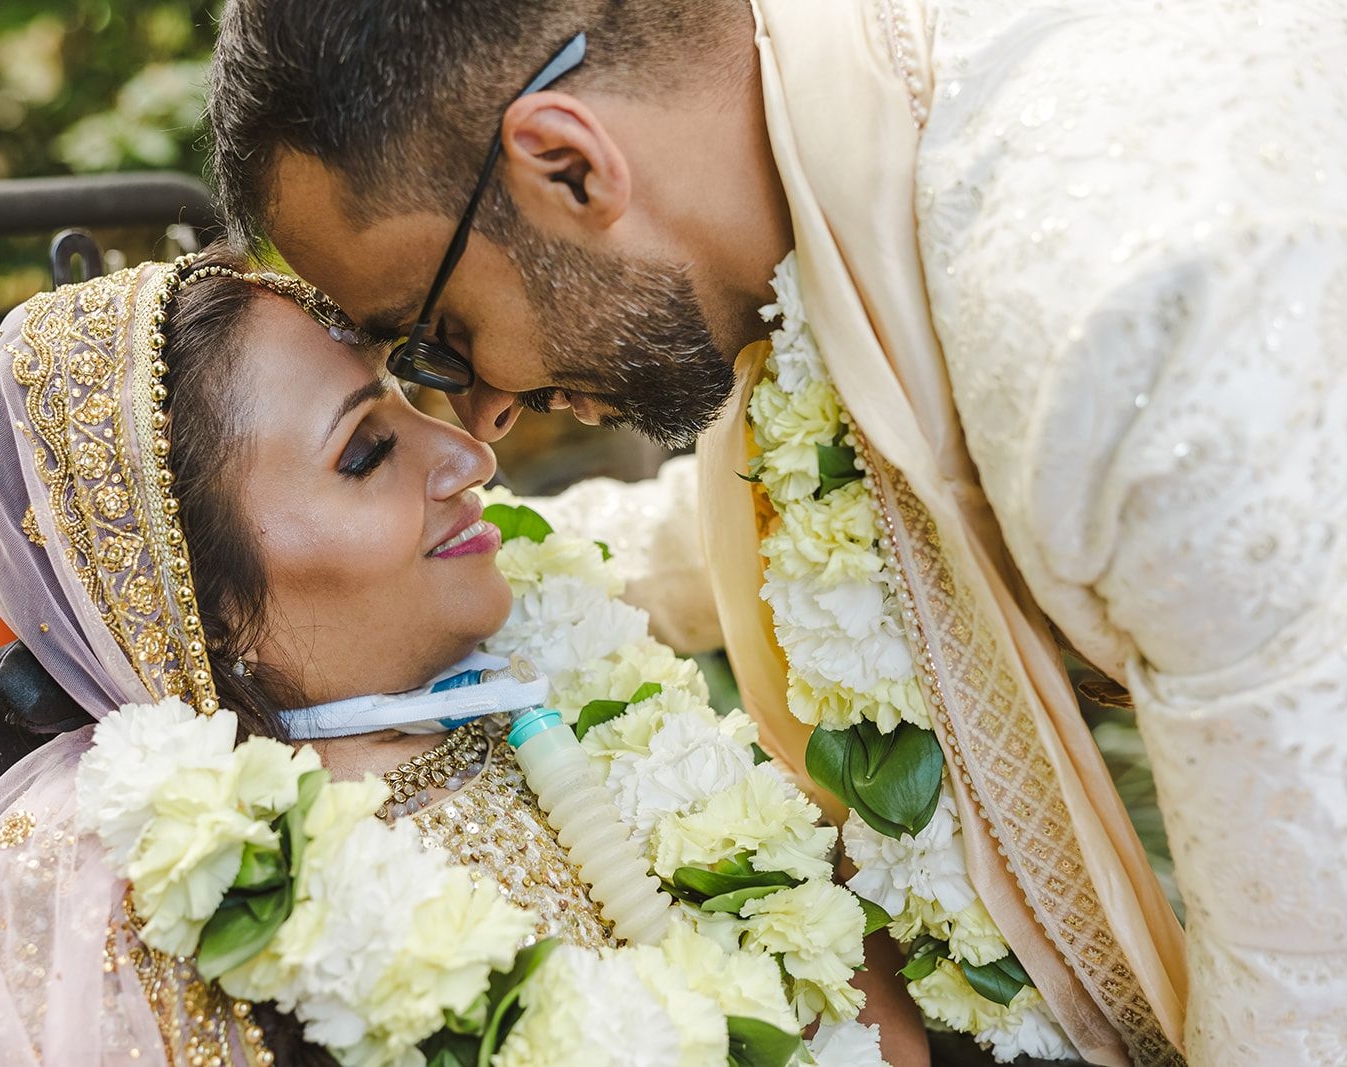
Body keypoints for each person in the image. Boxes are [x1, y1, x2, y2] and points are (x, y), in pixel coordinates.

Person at [205, 1, 1347, 1064]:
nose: (483, 417)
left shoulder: (1128, 315)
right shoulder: (872, 135)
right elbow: (792, 513)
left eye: (436, 337)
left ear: (568, 164)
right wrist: (470, 563)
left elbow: (1311, 988)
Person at [0, 251, 920, 1065]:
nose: (469, 456)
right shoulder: (169, 883)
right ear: (200, 606)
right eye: (364, 452)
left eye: (403, 401)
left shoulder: (555, 676)